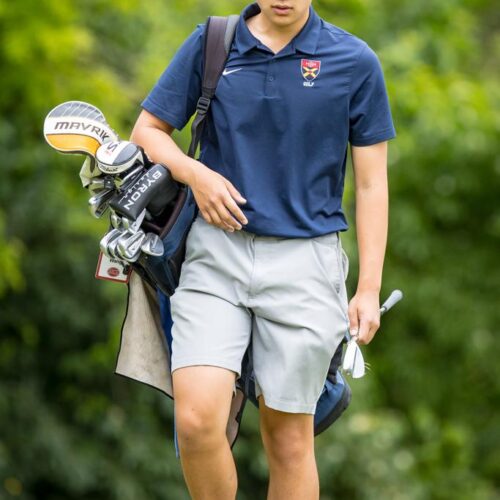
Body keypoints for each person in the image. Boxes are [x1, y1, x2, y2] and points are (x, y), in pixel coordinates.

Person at [130, 0, 396, 498]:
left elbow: (371, 186)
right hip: (215, 254)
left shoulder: (354, 61)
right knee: (195, 420)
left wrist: (368, 288)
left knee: (289, 441)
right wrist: (196, 174)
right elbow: (147, 132)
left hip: (307, 264)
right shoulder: (212, 43)